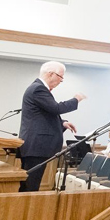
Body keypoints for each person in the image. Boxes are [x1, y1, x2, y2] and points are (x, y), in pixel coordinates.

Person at [18, 61, 87, 192]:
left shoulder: (38, 88)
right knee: (30, 185)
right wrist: (76, 99)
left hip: (36, 146)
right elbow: (56, 108)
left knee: (31, 183)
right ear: (50, 74)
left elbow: (44, 115)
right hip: (36, 147)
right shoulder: (38, 88)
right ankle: (27, 211)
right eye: (61, 76)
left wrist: (62, 123)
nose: (61, 81)